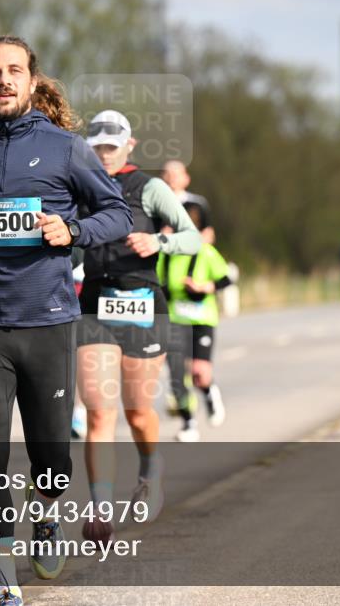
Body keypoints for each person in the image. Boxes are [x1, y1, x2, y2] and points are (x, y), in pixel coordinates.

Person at [0, 36, 132, 606]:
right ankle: (5, 585)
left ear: (33, 80)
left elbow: (118, 212)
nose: (3, 80)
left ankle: (46, 516)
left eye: (14, 70)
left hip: (49, 323)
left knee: (53, 463)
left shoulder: (66, 149)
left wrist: (75, 232)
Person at [75, 110, 200, 542]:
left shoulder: (150, 188)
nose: (104, 153)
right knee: (98, 410)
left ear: (130, 145)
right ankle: (100, 506)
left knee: (137, 412)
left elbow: (193, 237)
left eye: (112, 145)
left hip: (143, 304)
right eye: (97, 145)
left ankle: (150, 467)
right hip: (93, 303)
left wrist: (157, 241)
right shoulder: (79, 186)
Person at [159, 211, 233, 443]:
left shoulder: (205, 252)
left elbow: (226, 279)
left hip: (202, 320)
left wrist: (203, 288)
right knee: (177, 376)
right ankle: (188, 422)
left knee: (199, 373)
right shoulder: (165, 255)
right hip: (174, 319)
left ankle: (209, 391)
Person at [162, 160, 214, 244]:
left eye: (175, 175)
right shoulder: (153, 203)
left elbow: (208, 234)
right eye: (167, 174)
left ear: (186, 178)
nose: (171, 178)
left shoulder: (197, 204)